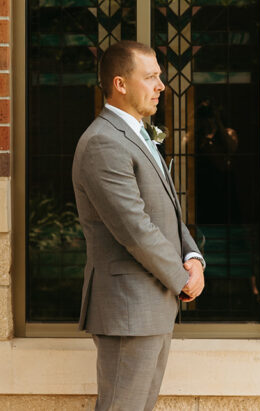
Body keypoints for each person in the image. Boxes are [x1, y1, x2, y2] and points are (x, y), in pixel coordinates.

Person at [72, 40, 205, 411]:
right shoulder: (103, 142)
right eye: (150, 77)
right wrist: (182, 280)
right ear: (120, 83)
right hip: (128, 308)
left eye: (159, 77)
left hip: (152, 304)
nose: (161, 86)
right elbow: (135, 228)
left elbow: (168, 212)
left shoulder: (138, 135)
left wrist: (193, 257)